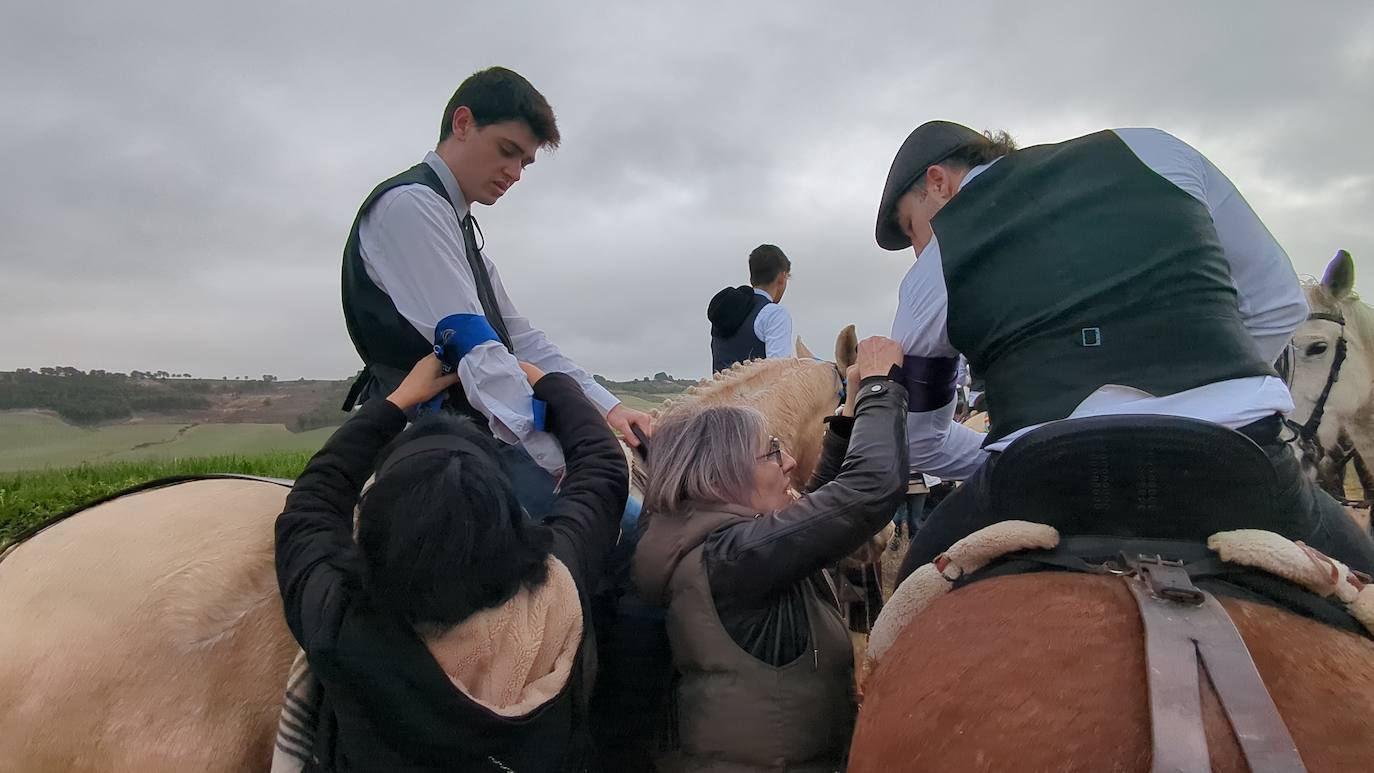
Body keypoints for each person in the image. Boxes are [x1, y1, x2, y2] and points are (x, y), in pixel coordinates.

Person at [872, 121, 1374, 580]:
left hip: (1046, 484)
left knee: (910, 593)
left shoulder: (930, 272)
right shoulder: (1157, 149)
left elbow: (923, 445)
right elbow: (1281, 305)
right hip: (1235, 461)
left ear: (938, 182)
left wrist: (1019, 447)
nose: (920, 248)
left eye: (915, 227)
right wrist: (1209, 390)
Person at [274, 353, 629, 772]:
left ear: (375, 531)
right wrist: (553, 384)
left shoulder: (341, 621)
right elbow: (602, 470)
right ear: (509, 521)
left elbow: (310, 505)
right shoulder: (557, 594)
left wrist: (397, 402)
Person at [339, 66, 652, 493]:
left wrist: (609, 408)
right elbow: (474, 348)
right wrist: (558, 460)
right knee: (620, 529)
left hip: (468, 436)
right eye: (507, 150)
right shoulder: (412, 207)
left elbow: (520, 340)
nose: (515, 173)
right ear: (463, 123)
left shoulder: (460, 228)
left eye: (524, 162)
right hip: (430, 452)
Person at [633, 336, 908, 772]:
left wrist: (848, 415)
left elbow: (818, 505)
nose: (789, 463)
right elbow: (868, 492)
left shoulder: (713, 547)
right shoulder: (731, 559)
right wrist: (880, 386)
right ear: (724, 474)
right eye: (771, 451)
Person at [707, 244, 795, 372]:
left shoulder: (727, 311)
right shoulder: (774, 314)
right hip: (756, 392)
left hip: (717, 391)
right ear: (782, 277)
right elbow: (779, 373)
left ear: (751, 276)